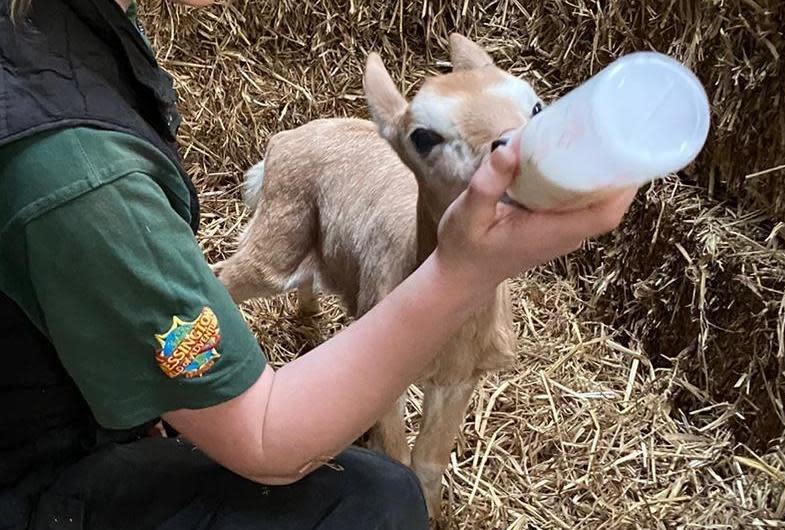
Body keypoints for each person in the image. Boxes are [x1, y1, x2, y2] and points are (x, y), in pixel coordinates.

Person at [0, 0, 637, 528]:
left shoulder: (63, 23)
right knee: (378, 500)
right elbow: (267, 442)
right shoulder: (78, 173)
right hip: (35, 472)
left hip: (60, 376)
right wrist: (463, 270)